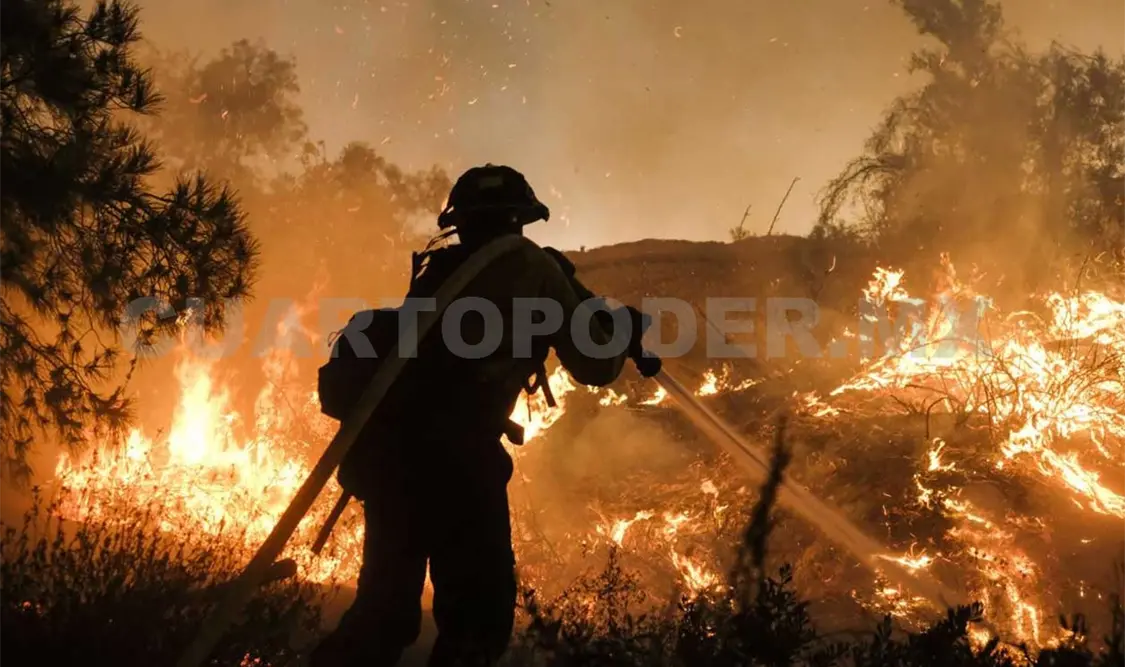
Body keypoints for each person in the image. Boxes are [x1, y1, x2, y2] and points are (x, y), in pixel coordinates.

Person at [310, 164, 650, 667]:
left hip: (391, 466)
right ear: (522, 218)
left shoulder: (435, 270)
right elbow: (595, 365)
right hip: (462, 471)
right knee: (476, 626)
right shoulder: (533, 268)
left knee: (382, 617)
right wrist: (619, 329)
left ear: (459, 221)